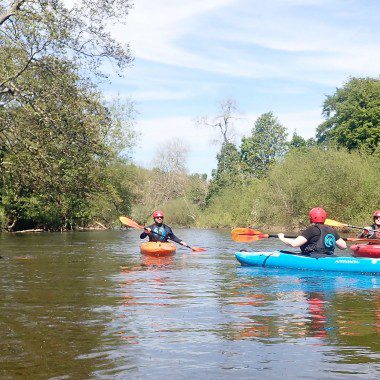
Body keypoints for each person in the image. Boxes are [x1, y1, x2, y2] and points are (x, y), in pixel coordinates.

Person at [278, 207, 347, 257]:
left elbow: (294, 244)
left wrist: (282, 238)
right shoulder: (332, 230)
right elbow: (343, 246)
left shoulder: (311, 230)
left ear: (311, 218)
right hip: (330, 257)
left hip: (314, 258)